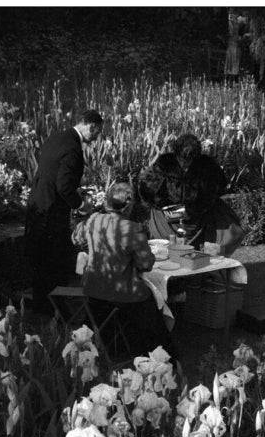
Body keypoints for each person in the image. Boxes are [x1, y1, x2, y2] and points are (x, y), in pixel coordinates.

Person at [71, 182, 175, 360]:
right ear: (129, 205)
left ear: (108, 202)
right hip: (123, 294)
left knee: (137, 301)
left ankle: (120, 346)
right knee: (151, 303)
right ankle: (161, 354)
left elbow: (76, 238)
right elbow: (145, 264)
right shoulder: (132, 228)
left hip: (93, 291)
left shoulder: (94, 219)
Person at [24, 109, 104, 313]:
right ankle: (55, 308)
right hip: (52, 210)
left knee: (40, 258)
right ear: (91, 126)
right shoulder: (73, 149)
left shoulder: (57, 137)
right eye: (97, 133)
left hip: (37, 203)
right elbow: (64, 186)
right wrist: (81, 205)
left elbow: (51, 172)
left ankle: (42, 303)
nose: (96, 138)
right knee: (53, 259)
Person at [138, 133, 244, 256]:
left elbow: (220, 186)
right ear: (176, 153)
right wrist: (160, 204)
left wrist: (200, 206)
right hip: (165, 218)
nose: (185, 163)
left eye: (189, 160)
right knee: (168, 250)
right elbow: (145, 187)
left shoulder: (207, 165)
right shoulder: (165, 163)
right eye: (182, 159)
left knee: (201, 251)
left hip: (196, 217)